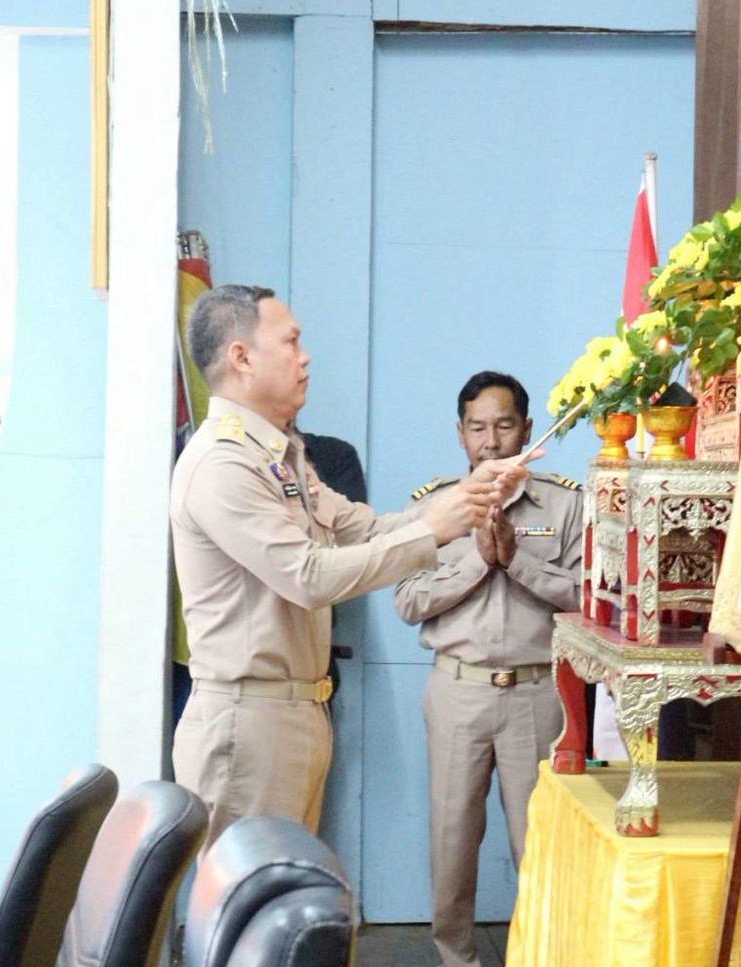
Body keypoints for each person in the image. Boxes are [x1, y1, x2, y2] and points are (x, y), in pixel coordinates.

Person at [170, 285, 525, 852]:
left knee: (286, 887)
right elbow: (308, 577)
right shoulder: (223, 462)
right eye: (290, 342)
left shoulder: (276, 455)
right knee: (251, 895)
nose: (305, 357)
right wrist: (434, 530)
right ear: (242, 358)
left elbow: (366, 527)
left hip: (294, 711)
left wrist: (464, 499)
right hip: (248, 717)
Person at [394, 371, 583, 967]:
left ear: (527, 431)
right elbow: (408, 600)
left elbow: (589, 596)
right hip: (458, 691)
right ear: (460, 434)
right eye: (477, 427)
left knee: (542, 849)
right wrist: (478, 560)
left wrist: (516, 561)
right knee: (452, 844)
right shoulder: (436, 508)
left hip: (538, 692)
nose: (491, 440)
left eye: (504, 425)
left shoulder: (565, 505)